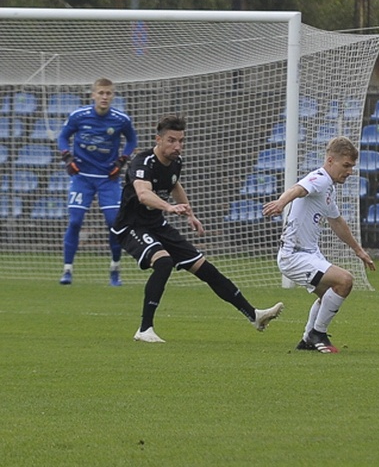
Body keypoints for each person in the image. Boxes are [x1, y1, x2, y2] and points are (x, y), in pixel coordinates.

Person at [112, 115, 284, 343]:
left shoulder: (176, 162)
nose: (178, 146)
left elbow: (174, 184)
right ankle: (145, 329)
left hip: (156, 225)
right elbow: (143, 195)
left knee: (205, 269)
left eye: (181, 141)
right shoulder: (142, 163)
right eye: (172, 140)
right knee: (163, 262)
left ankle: (254, 315)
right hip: (131, 226)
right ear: (158, 139)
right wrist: (169, 208)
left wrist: (190, 214)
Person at [262, 136, 375, 354]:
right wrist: (280, 202)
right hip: (295, 255)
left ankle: (307, 339)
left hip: (309, 254)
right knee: (345, 281)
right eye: (346, 165)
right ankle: (317, 333)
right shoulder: (320, 179)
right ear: (331, 160)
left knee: (330, 294)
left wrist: (358, 251)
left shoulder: (328, 187)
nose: (350, 171)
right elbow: (297, 189)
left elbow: (337, 222)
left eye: (352, 166)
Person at [57, 78, 138, 286]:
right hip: (82, 177)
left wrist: (122, 161)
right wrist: (67, 158)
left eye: (108, 93)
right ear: (93, 95)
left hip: (107, 179)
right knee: (75, 221)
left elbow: (132, 140)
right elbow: (63, 137)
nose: (104, 97)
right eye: (101, 93)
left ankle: (115, 269)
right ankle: (67, 270)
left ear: (113, 96)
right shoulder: (79, 116)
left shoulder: (121, 120)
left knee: (114, 224)